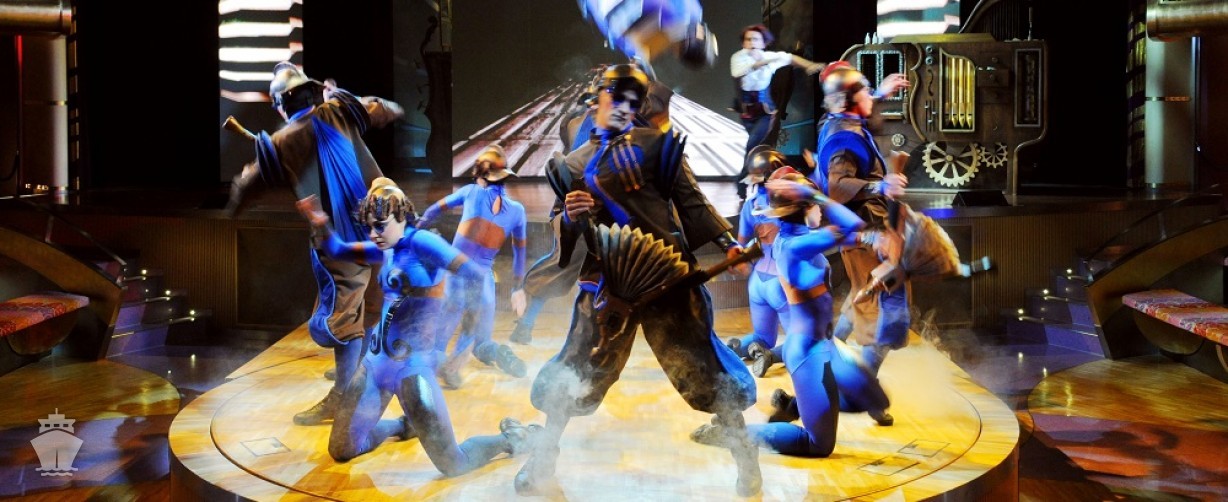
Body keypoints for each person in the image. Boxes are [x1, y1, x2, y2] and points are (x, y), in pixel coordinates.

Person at [503, 64, 762, 497]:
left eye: (633, 100)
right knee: (576, 369)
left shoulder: (657, 146)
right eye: (617, 97)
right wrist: (571, 216)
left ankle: (745, 457)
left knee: (705, 370)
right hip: (608, 286)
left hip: (668, 279)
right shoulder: (572, 164)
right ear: (597, 99)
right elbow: (562, 226)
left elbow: (692, 201)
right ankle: (543, 459)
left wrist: (729, 243)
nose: (625, 107)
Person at [295, 178, 541, 474]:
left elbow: (476, 277)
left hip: (413, 371)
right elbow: (337, 249)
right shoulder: (386, 247)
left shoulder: (422, 242)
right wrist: (320, 223)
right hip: (375, 365)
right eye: (369, 226)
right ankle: (403, 425)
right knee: (342, 448)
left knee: (453, 463)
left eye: (380, 225)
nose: (373, 234)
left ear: (401, 217)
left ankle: (512, 439)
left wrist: (467, 338)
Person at [226, 61, 405, 426]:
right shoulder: (340, 109)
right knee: (369, 307)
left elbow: (245, 188)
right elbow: (389, 109)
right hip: (386, 228)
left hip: (339, 238)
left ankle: (344, 395)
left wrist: (236, 200)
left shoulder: (284, 141)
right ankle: (356, 374)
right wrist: (344, 98)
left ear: (281, 104)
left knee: (343, 319)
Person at [691, 167, 890, 457]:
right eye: (814, 204)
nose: (820, 210)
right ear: (806, 207)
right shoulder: (793, 245)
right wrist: (816, 196)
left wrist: (872, 239)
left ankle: (794, 406)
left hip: (829, 345)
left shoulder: (804, 237)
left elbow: (858, 233)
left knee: (875, 401)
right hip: (807, 352)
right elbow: (854, 228)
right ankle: (733, 433)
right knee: (818, 445)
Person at [509, 67, 674, 344]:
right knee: (566, 263)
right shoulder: (586, 126)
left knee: (577, 265)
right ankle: (529, 323)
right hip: (583, 203)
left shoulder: (618, 126)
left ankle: (531, 324)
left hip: (611, 210)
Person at [799, 60, 910, 426]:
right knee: (888, 316)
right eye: (864, 91)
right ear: (848, 100)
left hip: (866, 234)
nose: (871, 96)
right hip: (867, 237)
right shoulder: (844, 139)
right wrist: (882, 184)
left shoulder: (839, 120)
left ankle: (826, 357)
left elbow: (857, 113)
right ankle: (862, 391)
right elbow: (837, 185)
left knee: (862, 298)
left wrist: (878, 93)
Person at [417, 144, 528, 388]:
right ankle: (487, 356)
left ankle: (443, 369)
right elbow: (520, 252)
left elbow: (434, 210)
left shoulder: (470, 192)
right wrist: (517, 288)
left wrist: (417, 228)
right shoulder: (518, 211)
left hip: (457, 275)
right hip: (483, 282)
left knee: (441, 336)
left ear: (480, 177)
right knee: (480, 341)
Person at [730, 24, 825, 200]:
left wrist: (809, 65)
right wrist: (765, 61)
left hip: (765, 112)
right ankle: (758, 182)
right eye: (748, 39)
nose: (752, 43)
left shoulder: (771, 57)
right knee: (757, 148)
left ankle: (743, 180)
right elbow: (739, 72)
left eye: (756, 39)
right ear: (743, 43)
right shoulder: (738, 58)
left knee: (753, 144)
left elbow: (790, 58)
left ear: (763, 43)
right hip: (747, 113)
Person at [725, 146, 790, 377]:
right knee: (802, 341)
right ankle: (769, 357)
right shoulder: (792, 202)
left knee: (762, 337)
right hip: (782, 281)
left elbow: (740, 245)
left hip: (757, 282)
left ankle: (730, 351)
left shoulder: (750, 204)